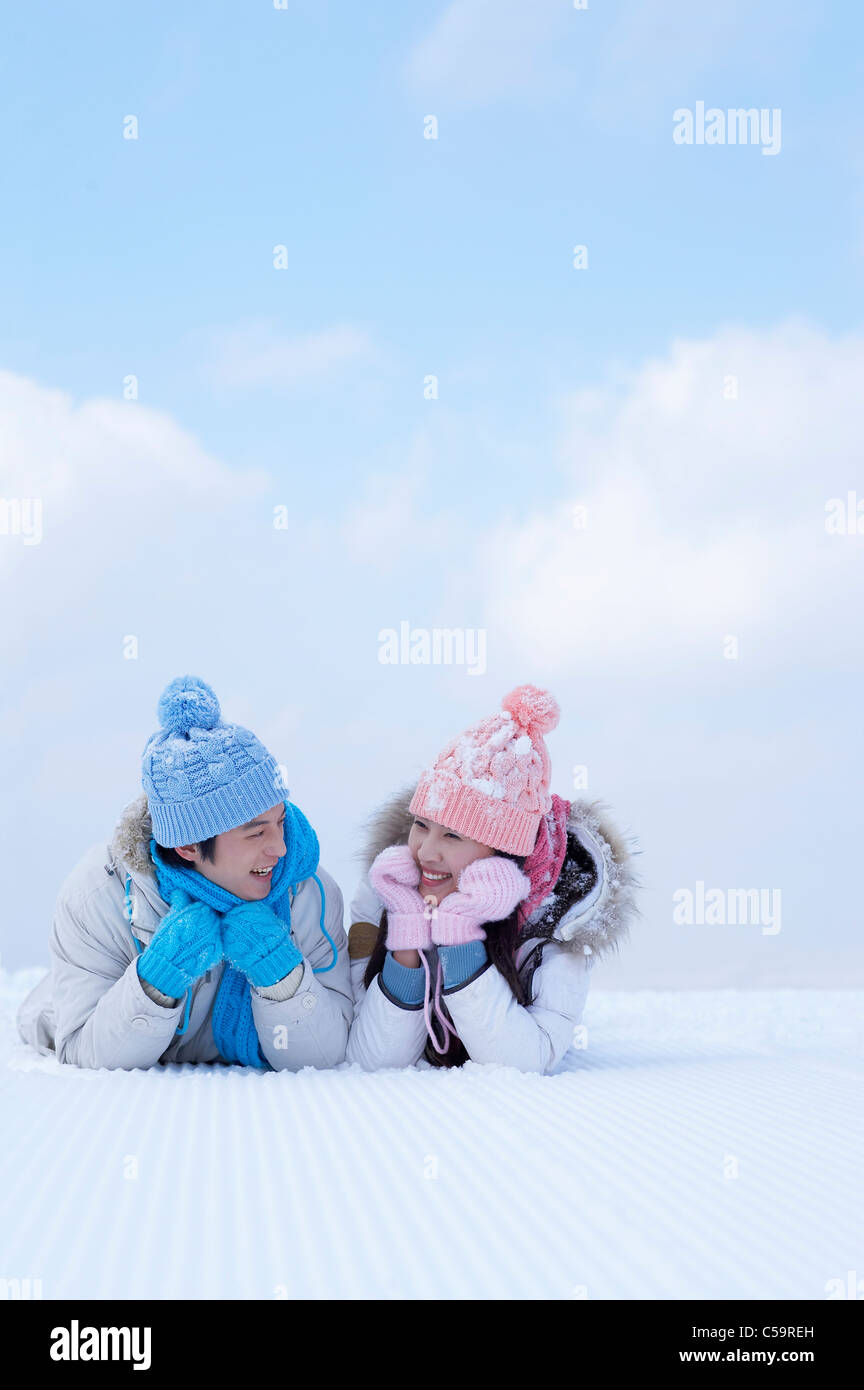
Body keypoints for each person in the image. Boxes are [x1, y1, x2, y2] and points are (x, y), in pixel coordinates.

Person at [16, 676, 351, 1071]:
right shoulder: (96, 896)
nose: (280, 847)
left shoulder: (307, 890)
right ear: (189, 846)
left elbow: (327, 1056)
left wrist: (281, 974)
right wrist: (158, 978)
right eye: (256, 831)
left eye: (280, 820)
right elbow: (87, 1054)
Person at [346, 685, 639, 1073]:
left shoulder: (561, 917)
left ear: (502, 851)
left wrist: (461, 936)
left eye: (453, 836)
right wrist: (405, 934)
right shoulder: (391, 887)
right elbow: (373, 1061)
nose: (425, 852)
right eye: (421, 825)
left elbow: (525, 1062)